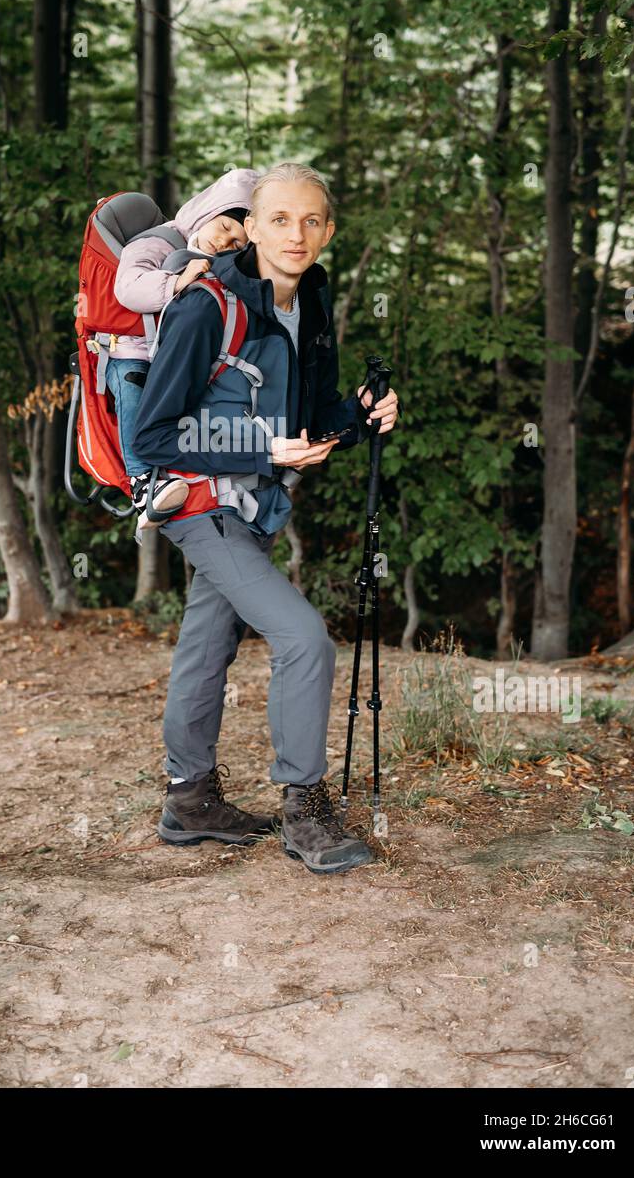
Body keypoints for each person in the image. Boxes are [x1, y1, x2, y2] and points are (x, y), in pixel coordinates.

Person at [131, 162, 400, 874]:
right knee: (304, 638)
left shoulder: (310, 301)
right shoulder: (205, 304)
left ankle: (189, 802)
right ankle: (304, 811)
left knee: (206, 641)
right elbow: (151, 438)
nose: (297, 234)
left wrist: (364, 417)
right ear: (248, 227)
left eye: (312, 220)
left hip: (256, 503)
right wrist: (260, 446)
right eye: (279, 219)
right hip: (198, 501)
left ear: (330, 231)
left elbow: (311, 420)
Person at [110, 168, 257, 528]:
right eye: (224, 228)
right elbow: (128, 286)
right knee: (133, 391)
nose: (225, 242)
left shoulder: (223, 266)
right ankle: (143, 484)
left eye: (237, 242)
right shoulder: (158, 243)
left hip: (173, 356)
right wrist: (176, 282)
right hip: (131, 349)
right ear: (208, 212)